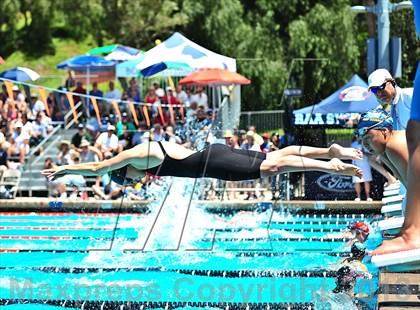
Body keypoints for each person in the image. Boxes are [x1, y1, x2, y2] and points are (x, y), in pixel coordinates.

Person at [42, 140, 363, 186]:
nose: (135, 181)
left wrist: (66, 169)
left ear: (124, 171)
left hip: (213, 163)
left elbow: (101, 167)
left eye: (128, 179)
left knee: (274, 167)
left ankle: (330, 165)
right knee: (275, 156)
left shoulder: (136, 156)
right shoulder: (143, 157)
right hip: (215, 153)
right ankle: (328, 151)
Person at [371, 3, 420, 256]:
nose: (380, 94)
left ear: (392, 82)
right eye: (375, 92)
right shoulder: (387, 112)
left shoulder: (411, 95)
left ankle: (412, 236)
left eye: (382, 88)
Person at [351, 136, 372, 202]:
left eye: (360, 137)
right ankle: (358, 197)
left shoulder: (366, 143)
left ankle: (368, 196)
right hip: (356, 164)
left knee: (366, 180)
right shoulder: (353, 144)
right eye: (358, 136)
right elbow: (351, 154)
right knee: (357, 181)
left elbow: (370, 154)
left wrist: (363, 152)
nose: (359, 138)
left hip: (365, 164)